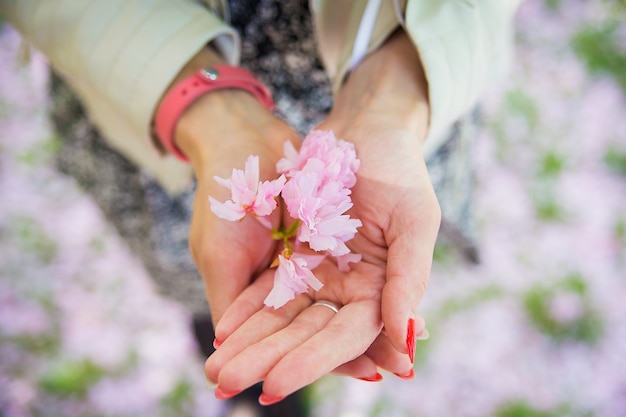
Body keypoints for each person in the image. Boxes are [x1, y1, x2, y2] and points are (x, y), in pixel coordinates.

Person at [0, 0, 521, 412]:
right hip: (157, 105)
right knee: (225, 291)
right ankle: (251, 386)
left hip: (382, 78)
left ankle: (263, 392)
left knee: (265, 299)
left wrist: (394, 87)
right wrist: (208, 112)